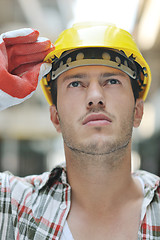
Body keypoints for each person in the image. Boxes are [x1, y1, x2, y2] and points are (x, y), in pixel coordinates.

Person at [0, 22, 159, 240]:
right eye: (75, 84)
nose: (95, 97)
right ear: (55, 117)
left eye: (112, 81)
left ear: (138, 112)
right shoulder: (14, 207)